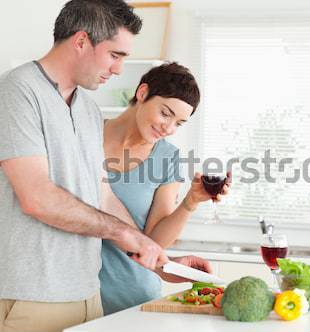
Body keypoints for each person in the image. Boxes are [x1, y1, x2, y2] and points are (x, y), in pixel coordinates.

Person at [0, 1, 209, 331]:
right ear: (81, 41)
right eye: (115, 55)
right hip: (34, 294)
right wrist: (125, 233)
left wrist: (160, 261)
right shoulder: (18, 90)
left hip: (87, 294)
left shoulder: (87, 109)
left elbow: (104, 196)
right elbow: (36, 197)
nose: (118, 70)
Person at [100, 62, 231, 314]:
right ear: (142, 93)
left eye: (179, 123)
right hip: (73, 295)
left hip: (133, 297)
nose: (168, 128)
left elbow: (154, 241)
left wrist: (190, 202)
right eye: (165, 113)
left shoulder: (167, 157)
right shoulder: (86, 133)